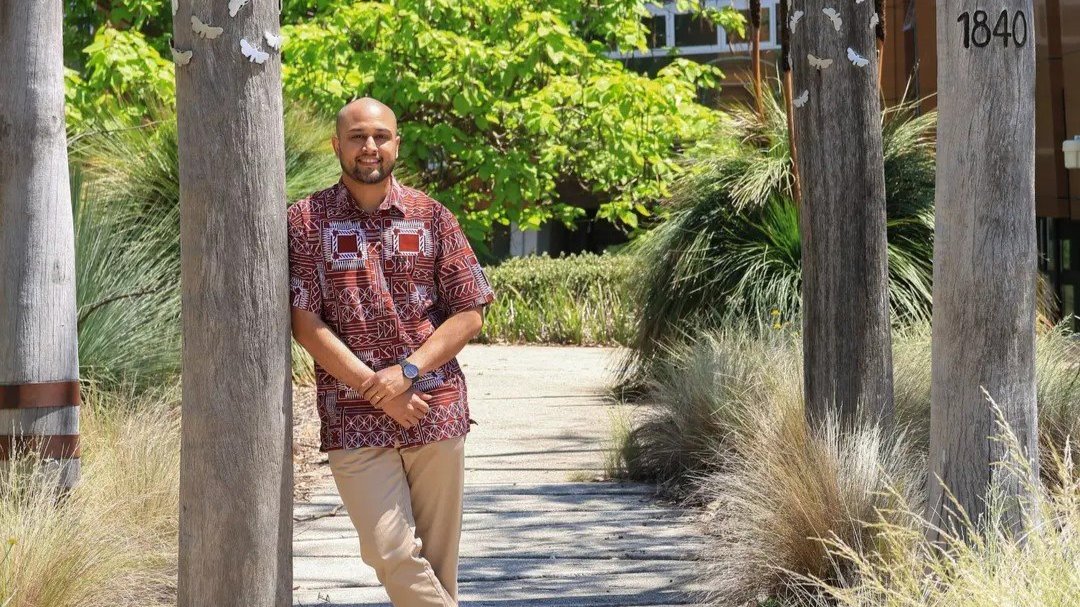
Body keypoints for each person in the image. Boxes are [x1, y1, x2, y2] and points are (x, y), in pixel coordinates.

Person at [288, 97, 494, 607]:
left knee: (438, 569)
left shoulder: (431, 217)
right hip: (353, 418)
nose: (370, 146)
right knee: (390, 553)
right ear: (337, 145)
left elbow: (470, 311)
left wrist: (406, 373)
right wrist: (375, 389)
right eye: (357, 136)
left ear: (396, 143)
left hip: (435, 410)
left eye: (380, 135)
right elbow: (304, 322)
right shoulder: (306, 222)